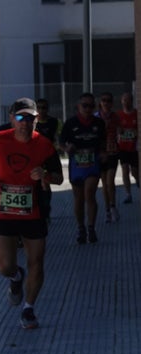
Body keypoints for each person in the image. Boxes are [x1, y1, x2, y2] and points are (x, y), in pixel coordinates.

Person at [0, 97, 62, 330]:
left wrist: (44, 174)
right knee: (5, 266)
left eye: (31, 118)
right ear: (12, 119)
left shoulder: (44, 145)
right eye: (21, 118)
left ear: (37, 120)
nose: (26, 123)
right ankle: (16, 277)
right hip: (6, 212)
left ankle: (29, 308)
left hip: (34, 213)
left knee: (37, 261)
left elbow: (59, 177)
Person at [60, 92, 106, 244]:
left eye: (91, 106)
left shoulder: (99, 123)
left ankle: (91, 228)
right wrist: (67, 148)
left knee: (90, 194)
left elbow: (103, 144)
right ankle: (81, 228)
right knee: (79, 199)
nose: (88, 109)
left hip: (92, 163)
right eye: (85, 106)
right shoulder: (70, 123)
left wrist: (103, 154)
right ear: (78, 107)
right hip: (76, 164)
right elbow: (61, 142)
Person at [96, 92, 120, 223]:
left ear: (111, 103)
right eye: (103, 100)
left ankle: (113, 206)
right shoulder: (96, 117)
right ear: (100, 102)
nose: (106, 103)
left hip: (113, 152)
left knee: (110, 181)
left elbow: (121, 129)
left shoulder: (115, 117)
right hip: (100, 153)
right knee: (104, 184)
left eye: (108, 100)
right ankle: (107, 210)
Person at [117, 91, 138, 203]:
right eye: (124, 100)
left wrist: (135, 132)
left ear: (131, 101)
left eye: (128, 100)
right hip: (123, 147)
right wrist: (118, 131)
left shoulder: (136, 114)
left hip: (134, 148)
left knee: (135, 171)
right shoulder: (118, 115)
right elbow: (115, 129)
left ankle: (138, 180)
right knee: (125, 170)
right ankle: (128, 194)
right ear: (121, 101)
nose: (125, 102)